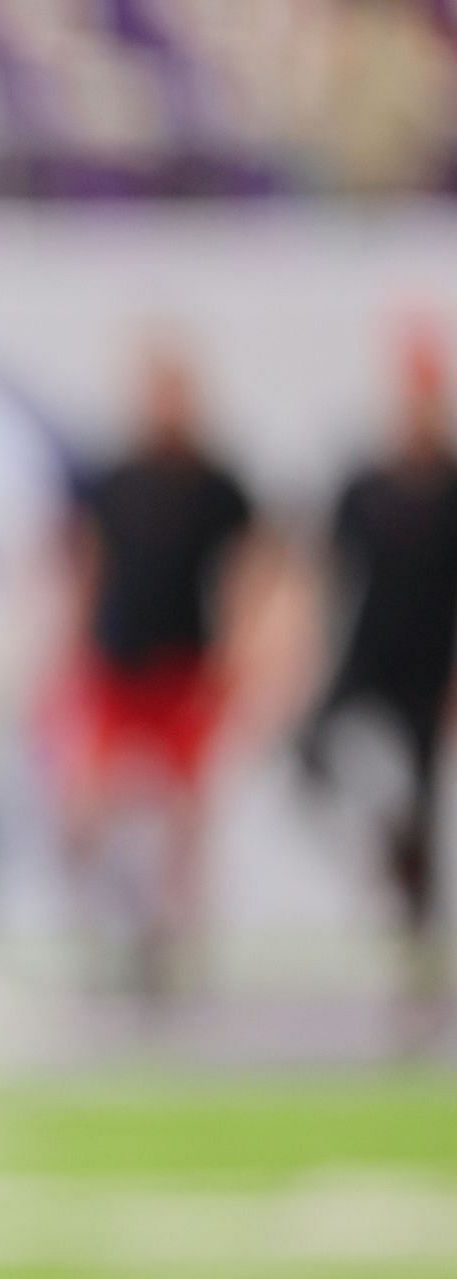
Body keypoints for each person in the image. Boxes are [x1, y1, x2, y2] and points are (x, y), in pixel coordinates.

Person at [63, 336, 263, 1002]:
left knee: (183, 817)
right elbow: (86, 564)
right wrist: (71, 645)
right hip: (118, 664)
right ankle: (118, 922)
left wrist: (242, 652)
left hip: (186, 664)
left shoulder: (217, 484)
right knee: (88, 813)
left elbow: (252, 571)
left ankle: (173, 942)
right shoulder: (114, 480)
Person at [300, 326, 457, 1052]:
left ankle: (415, 972)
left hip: (432, 666)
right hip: (368, 659)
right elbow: (323, 571)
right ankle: (385, 844)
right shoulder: (363, 484)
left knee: (425, 820)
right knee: (313, 757)